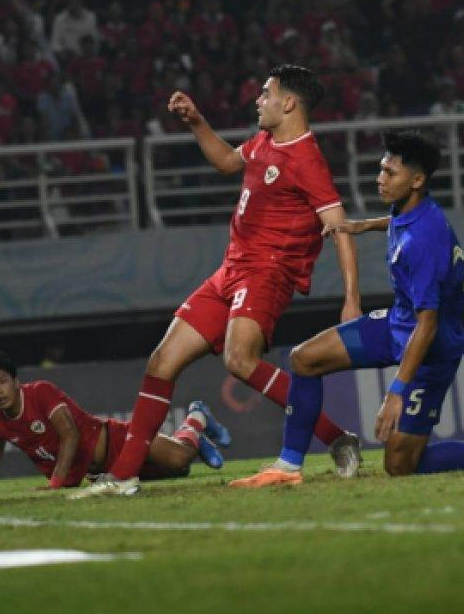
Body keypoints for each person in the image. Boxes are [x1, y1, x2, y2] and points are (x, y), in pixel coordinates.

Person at [70, 64, 362, 499]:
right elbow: (228, 161)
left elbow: (339, 227)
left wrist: (351, 300)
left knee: (239, 361)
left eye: (266, 93)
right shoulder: (265, 141)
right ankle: (125, 475)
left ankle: (336, 437)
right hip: (230, 270)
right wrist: (196, 122)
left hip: (267, 272)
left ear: (288, 103)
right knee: (161, 363)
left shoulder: (306, 159)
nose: (258, 100)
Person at [231, 130, 464, 488]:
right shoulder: (411, 210)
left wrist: (395, 393)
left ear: (416, 180)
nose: (380, 179)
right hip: (396, 325)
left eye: (390, 173)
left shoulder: (423, 242)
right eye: (381, 169)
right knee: (304, 359)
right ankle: (288, 466)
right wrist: (364, 225)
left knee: (401, 465)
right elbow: (399, 225)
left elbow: (428, 325)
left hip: (431, 349)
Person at [0, 349, 229, 493]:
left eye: (2, 382)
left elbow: (70, 435)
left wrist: (56, 484)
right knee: (179, 472)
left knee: (179, 459)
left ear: (16, 381)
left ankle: (197, 417)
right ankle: (192, 438)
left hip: (119, 442)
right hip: (103, 472)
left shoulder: (39, 392)